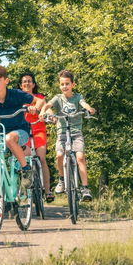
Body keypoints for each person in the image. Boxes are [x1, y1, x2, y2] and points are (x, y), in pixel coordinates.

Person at [39, 69, 96, 201]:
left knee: (80, 158)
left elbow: (83, 103)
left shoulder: (77, 97)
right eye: (62, 84)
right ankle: (62, 180)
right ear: (59, 85)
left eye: (67, 84)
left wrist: (89, 109)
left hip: (76, 132)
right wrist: (43, 111)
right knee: (59, 155)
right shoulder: (58, 98)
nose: (65, 86)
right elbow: (48, 104)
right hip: (62, 133)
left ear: (72, 85)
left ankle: (85, 188)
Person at [18, 71, 54, 202]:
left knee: (42, 157)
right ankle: (23, 189)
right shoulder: (17, 98)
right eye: (24, 82)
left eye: (29, 81)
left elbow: (47, 108)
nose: (27, 83)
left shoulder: (39, 97)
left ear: (33, 84)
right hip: (24, 131)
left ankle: (48, 191)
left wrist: (51, 116)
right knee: (24, 158)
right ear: (21, 86)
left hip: (39, 130)